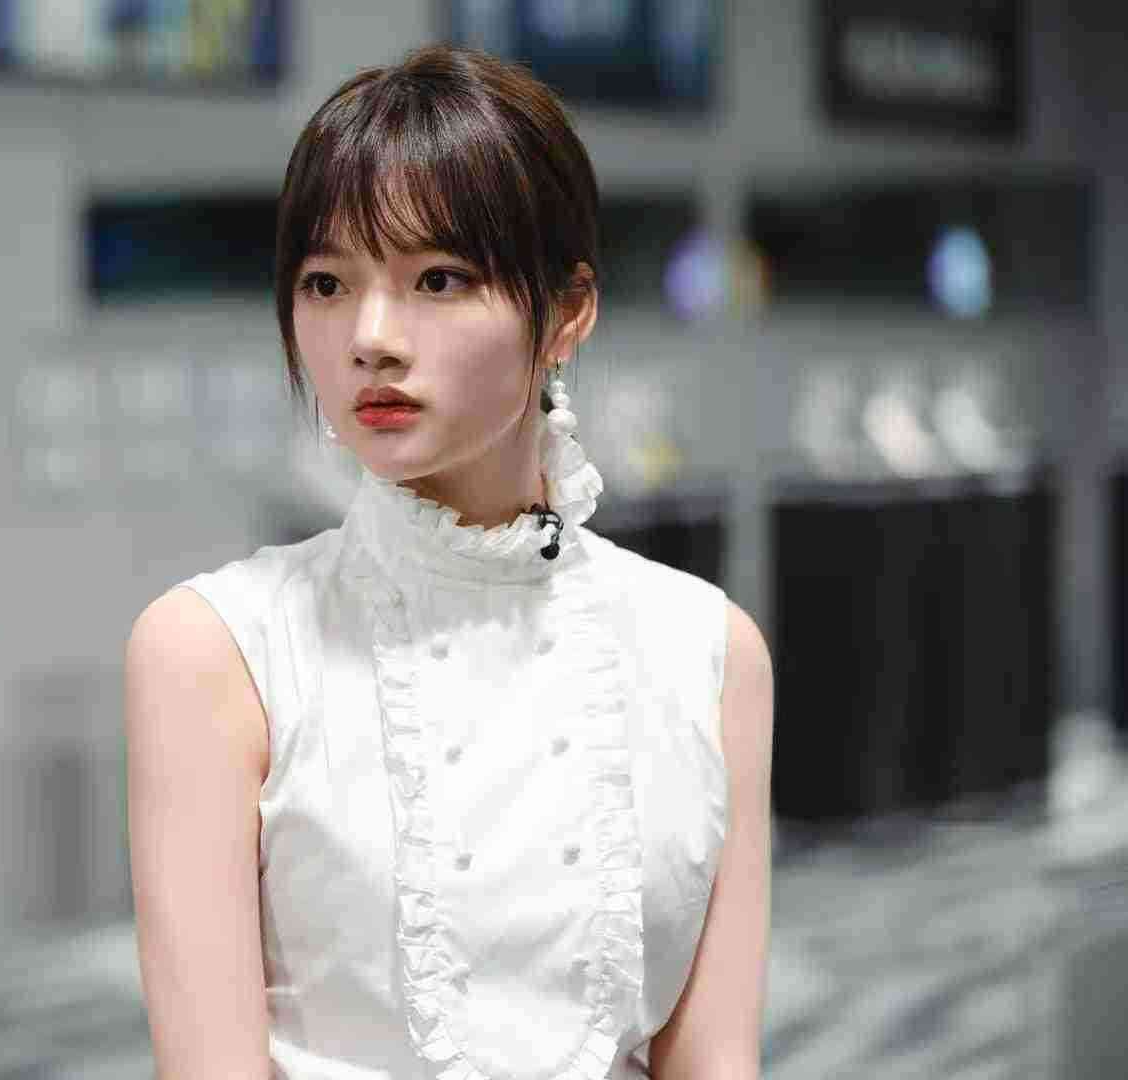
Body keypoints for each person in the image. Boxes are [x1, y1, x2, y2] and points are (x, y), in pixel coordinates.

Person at [124, 42, 774, 1080]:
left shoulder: (707, 651)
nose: (371, 338)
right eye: (326, 282)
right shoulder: (219, 651)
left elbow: (715, 1060)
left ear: (567, 313)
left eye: (438, 279)